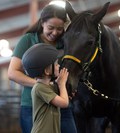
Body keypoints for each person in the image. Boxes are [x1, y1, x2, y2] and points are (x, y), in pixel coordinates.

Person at [8, 4, 77, 133]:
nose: (55, 33)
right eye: (50, 28)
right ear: (42, 23)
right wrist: (44, 86)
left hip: (61, 103)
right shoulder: (28, 40)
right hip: (33, 105)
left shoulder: (66, 42)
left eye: (60, 29)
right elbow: (12, 73)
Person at [22, 44, 69, 133]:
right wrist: (62, 84)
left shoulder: (49, 86)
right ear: (47, 71)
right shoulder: (39, 87)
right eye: (55, 64)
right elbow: (64, 103)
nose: (58, 66)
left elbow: (63, 95)